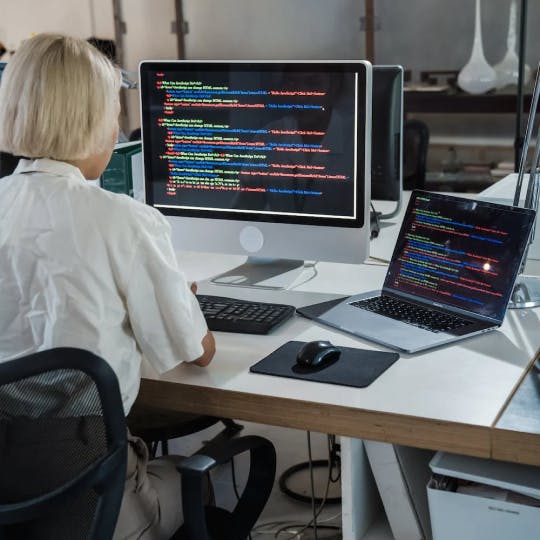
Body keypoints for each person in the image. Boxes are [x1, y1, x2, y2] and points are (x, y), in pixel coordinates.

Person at [0, 33, 215, 539]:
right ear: (94, 122)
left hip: (9, 494)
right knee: (206, 480)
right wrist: (181, 300)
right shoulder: (123, 221)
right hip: (91, 499)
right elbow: (197, 353)